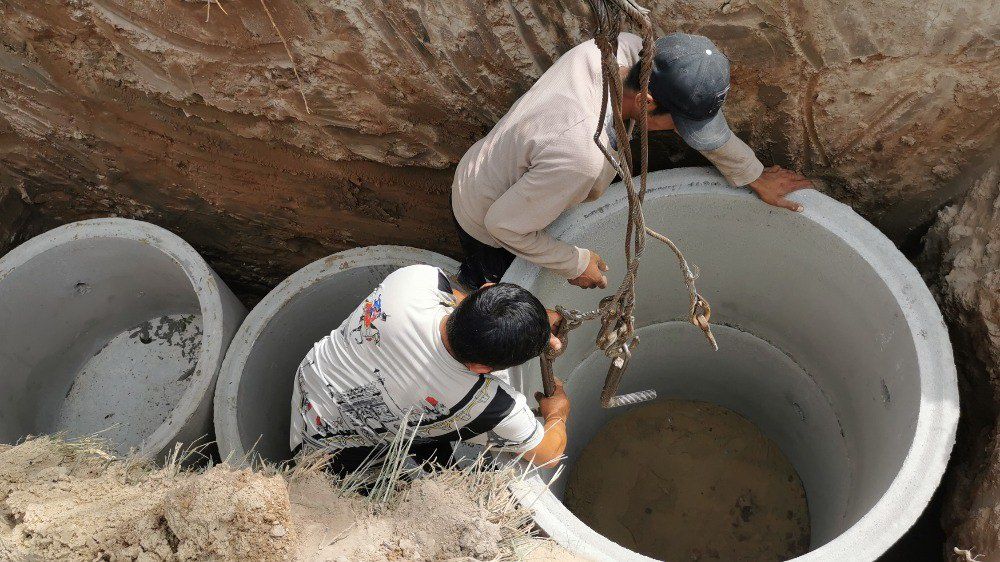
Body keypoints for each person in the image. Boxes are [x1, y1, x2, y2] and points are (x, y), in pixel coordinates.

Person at [452, 32, 813, 290]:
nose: (679, 132)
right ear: (645, 102)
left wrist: (751, 173)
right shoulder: (582, 155)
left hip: (509, 168)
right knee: (497, 290)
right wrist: (575, 263)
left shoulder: (623, 50)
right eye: (678, 124)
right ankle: (470, 283)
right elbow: (504, 226)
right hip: (485, 218)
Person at [289, 264, 570, 474]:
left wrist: (527, 320)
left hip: (310, 388)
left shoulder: (416, 280)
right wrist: (557, 412)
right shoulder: (488, 406)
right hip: (332, 462)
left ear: (485, 289)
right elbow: (549, 455)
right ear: (480, 367)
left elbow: (461, 304)